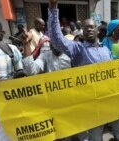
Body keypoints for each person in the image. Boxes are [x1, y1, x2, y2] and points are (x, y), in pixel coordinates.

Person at [47, 0, 112, 141]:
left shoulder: (106, 50)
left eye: (92, 27)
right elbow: (56, 38)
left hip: (103, 101)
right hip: (84, 101)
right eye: (85, 27)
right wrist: (53, 7)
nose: (89, 29)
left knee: (97, 134)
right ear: (81, 30)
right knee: (84, 135)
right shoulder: (77, 48)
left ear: (98, 30)